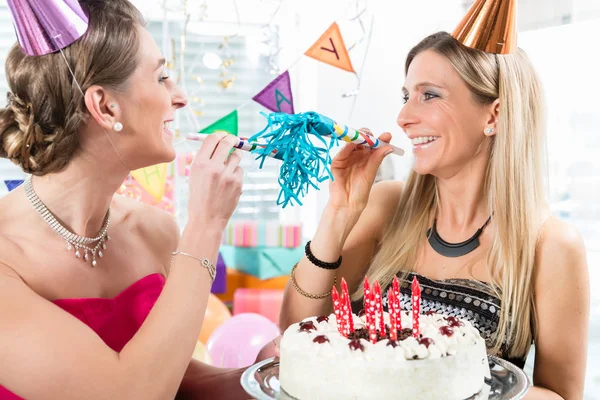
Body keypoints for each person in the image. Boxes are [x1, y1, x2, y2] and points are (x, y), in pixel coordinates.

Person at [277, 28, 590, 400]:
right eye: (406, 95)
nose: (404, 116)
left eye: (429, 95)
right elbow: (295, 335)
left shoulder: (550, 245)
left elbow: (562, 396)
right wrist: (339, 213)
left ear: (495, 114)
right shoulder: (386, 206)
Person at [0, 0, 250, 399]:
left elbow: (168, 377)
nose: (180, 97)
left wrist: (274, 374)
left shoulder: (154, 231)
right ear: (104, 106)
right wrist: (206, 224)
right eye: (162, 77)